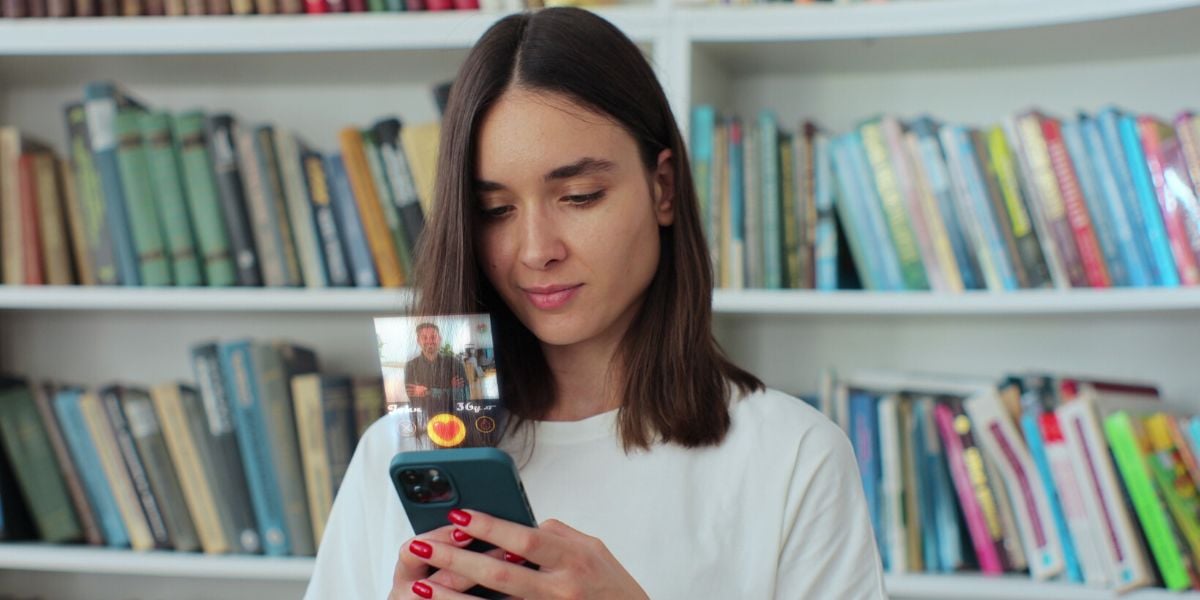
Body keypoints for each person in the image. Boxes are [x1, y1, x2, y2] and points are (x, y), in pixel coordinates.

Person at [305, 7, 885, 600]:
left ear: (662, 188)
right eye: (495, 210)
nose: (536, 251)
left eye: (579, 196)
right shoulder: (401, 449)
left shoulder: (793, 456)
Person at [403, 322, 470, 412]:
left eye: (433, 337)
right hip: (423, 416)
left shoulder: (454, 363)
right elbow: (414, 399)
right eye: (424, 337)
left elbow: (465, 395)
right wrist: (450, 388)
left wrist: (427, 392)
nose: (429, 341)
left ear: (439, 339)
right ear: (418, 341)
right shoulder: (410, 366)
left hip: (452, 415)